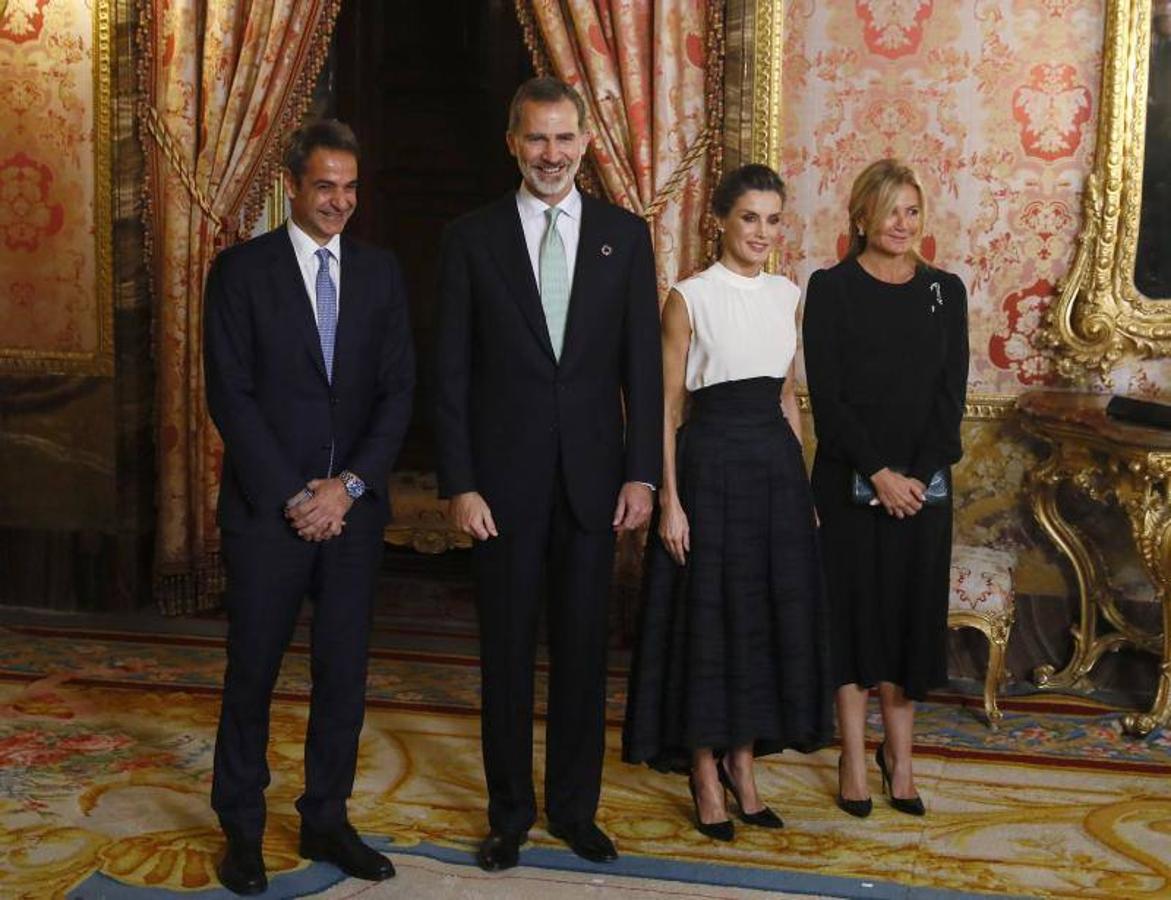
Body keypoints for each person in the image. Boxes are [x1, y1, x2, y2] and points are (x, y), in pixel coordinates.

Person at [434, 77, 662, 871]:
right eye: (537, 138)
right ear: (512, 143)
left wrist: (642, 477)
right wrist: (459, 483)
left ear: (587, 144)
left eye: (565, 138)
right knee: (503, 657)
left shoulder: (624, 237)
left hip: (596, 487)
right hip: (500, 490)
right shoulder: (471, 238)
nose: (552, 154)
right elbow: (451, 375)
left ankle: (574, 810)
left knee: (581, 655)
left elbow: (643, 369)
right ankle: (508, 817)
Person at [204, 120, 415, 894]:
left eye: (350, 188)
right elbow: (230, 395)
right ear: (291, 186)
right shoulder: (240, 271)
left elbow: (397, 393)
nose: (339, 201)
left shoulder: (381, 273)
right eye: (324, 186)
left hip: (352, 518)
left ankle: (326, 819)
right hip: (268, 516)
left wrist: (346, 489)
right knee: (251, 675)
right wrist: (298, 495)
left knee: (342, 677)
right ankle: (243, 833)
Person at [622, 164, 833, 841]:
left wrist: (801, 489)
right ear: (718, 220)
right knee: (710, 621)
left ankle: (746, 768)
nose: (761, 233)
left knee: (759, 620)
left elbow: (787, 398)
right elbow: (665, 406)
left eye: (772, 220)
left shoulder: (786, 293)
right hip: (708, 467)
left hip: (772, 471)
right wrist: (669, 502)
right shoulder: (688, 297)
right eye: (749, 218)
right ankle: (704, 771)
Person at [802, 158, 968, 819]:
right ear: (860, 216)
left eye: (912, 211)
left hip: (921, 491)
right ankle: (851, 757)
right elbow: (830, 400)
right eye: (890, 209)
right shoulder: (830, 287)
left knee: (906, 619)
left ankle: (900, 760)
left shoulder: (943, 291)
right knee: (851, 620)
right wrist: (878, 475)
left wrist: (915, 478)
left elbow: (947, 399)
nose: (902, 223)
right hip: (848, 484)